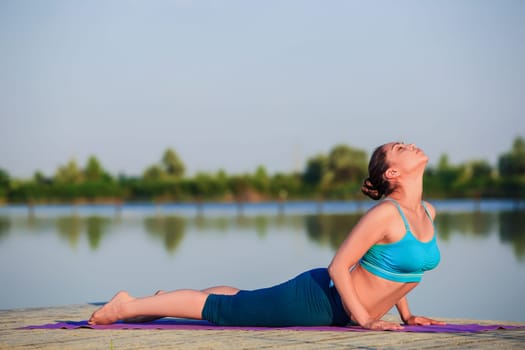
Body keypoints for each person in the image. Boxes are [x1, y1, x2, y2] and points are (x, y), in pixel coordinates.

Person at [89, 142, 445, 330]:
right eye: (400, 146)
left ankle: (167, 299)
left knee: (242, 299)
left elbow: (398, 271)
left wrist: (407, 315)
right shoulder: (385, 214)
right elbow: (339, 267)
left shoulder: (427, 211)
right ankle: (128, 306)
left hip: (335, 306)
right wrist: (366, 320)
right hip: (319, 303)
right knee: (224, 310)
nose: (410, 144)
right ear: (394, 172)